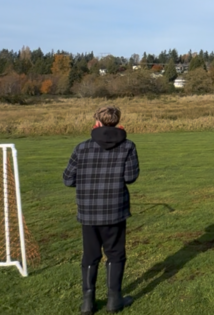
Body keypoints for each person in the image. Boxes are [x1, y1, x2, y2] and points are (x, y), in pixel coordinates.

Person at [64, 106, 140, 313]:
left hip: (88, 211)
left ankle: (88, 302)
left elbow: (68, 179)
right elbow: (130, 177)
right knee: (115, 254)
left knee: (90, 256)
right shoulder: (128, 146)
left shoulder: (81, 148)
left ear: (96, 122)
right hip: (115, 210)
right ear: (117, 122)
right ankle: (114, 300)